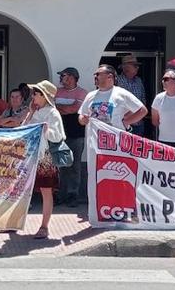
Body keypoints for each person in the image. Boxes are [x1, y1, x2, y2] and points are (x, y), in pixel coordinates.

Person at [26, 80, 65, 238]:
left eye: (36, 93)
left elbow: (58, 136)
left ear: (44, 96)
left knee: (46, 191)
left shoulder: (52, 113)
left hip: (45, 157)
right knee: (23, 190)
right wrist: (29, 113)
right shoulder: (36, 111)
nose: (33, 96)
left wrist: (46, 130)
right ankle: (14, 222)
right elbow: (24, 128)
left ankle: (44, 226)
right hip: (31, 155)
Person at [54, 68, 89, 207]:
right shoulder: (57, 91)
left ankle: (73, 195)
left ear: (73, 77)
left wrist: (61, 108)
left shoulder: (82, 93)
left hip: (77, 135)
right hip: (60, 134)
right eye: (62, 76)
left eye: (64, 76)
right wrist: (64, 108)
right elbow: (53, 108)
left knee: (75, 166)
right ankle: (61, 194)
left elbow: (74, 109)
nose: (62, 78)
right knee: (61, 165)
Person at [79, 64, 147, 133]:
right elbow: (81, 115)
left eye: (98, 74)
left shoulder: (122, 93)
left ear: (109, 76)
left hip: (115, 141)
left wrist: (126, 122)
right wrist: (82, 119)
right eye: (95, 74)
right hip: (93, 141)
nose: (95, 76)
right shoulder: (90, 95)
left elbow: (142, 110)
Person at [114, 55, 147, 135]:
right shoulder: (117, 81)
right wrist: (129, 117)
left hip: (138, 124)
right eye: (135, 66)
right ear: (125, 67)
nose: (138, 68)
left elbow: (143, 99)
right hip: (122, 125)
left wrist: (138, 115)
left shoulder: (139, 81)